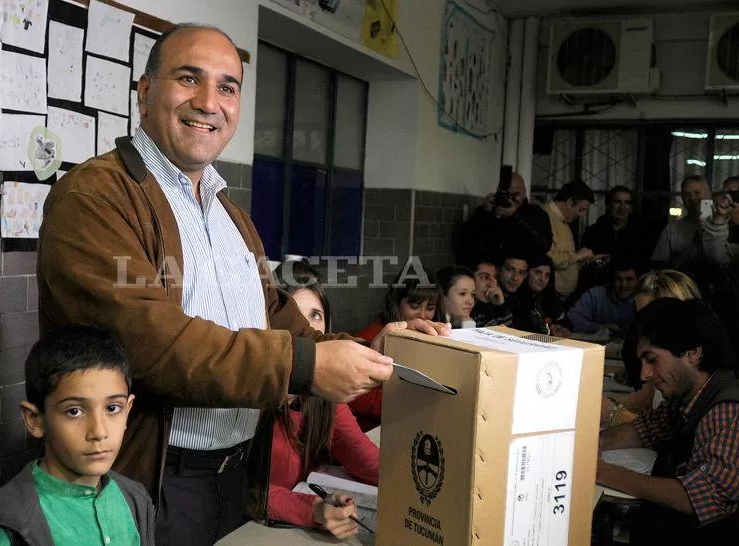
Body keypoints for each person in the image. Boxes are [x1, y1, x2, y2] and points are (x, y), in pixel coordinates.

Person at [36, 24, 449, 546]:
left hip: (236, 476)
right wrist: (306, 367)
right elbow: (147, 340)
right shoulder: (97, 197)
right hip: (150, 480)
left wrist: (365, 349)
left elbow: (273, 312)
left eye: (227, 87)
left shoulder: (229, 213)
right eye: (190, 78)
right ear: (145, 93)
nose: (209, 102)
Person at [0, 326, 155, 545]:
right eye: (74, 411)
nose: (99, 432)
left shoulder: (135, 500)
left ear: (128, 410)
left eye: (113, 408)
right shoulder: (8, 530)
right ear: (35, 420)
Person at [597, 299, 739, 545]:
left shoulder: (729, 410)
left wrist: (599, 471)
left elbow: (701, 497)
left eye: (652, 359)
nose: (645, 374)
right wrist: (591, 443)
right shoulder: (693, 393)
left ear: (693, 353)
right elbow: (645, 429)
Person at [267, 262, 379, 539]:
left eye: (315, 315)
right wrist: (313, 510)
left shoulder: (325, 397)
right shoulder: (253, 391)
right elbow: (246, 489)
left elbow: (364, 459)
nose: (304, 328)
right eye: (292, 315)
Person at [602, 269, 701, 427]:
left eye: (650, 318)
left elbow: (668, 432)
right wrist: (605, 406)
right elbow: (647, 397)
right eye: (640, 317)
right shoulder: (661, 354)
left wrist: (613, 413)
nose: (642, 328)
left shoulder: (692, 372)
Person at [350, 270, 441, 431]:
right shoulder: (371, 336)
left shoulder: (432, 339)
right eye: (414, 306)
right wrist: (412, 403)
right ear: (396, 302)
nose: (422, 315)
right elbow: (356, 398)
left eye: (430, 308)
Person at [700, 175, 739, 378]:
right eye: (726, 194)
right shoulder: (719, 228)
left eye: (737, 195)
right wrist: (719, 217)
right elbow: (716, 254)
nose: (730, 200)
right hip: (731, 321)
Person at [454, 173, 552, 267]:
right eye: (507, 195)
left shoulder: (536, 213)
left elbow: (544, 245)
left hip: (521, 275)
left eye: (515, 195)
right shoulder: (489, 210)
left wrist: (516, 216)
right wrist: (484, 213)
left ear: (524, 193)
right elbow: (464, 242)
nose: (510, 199)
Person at [540, 180, 600, 300]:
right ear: (570, 202)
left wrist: (586, 260)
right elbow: (550, 258)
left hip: (564, 296)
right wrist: (578, 256)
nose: (582, 215)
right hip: (550, 296)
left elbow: (565, 259)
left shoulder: (564, 220)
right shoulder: (543, 217)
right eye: (581, 209)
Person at [579, 185, 646, 290]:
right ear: (608, 205)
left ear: (631, 207)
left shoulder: (640, 233)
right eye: (617, 202)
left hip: (629, 290)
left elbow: (643, 265)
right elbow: (585, 261)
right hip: (597, 288)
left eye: (627, 203)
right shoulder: (594, 231)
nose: (622, 207)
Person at [651, 174, 712, 269]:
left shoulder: (720, 227)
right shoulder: (672, 230)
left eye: (697, 193)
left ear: (708, 195)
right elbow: (658, 264)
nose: (692, 198)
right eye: (687, 194)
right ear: (683, 198)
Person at [565, 258, 638, 335]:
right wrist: (598, 328)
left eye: (629, 279)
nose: (623, 285)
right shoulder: (596, 295)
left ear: (638, 280)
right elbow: (572, 318)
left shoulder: (644, 299)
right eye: (618, 279)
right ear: (612, 280)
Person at [512, 255, 570, 337]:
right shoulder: (517, 300)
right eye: (538, 273)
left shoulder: (550, 298)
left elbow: (566, 322)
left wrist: (557, 327)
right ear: (526, 274)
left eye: (547, 275)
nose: (542, 279)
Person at [471, 260, 512, 327]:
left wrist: (501, 307)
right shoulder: (459, 309)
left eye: (495, 277)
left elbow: (509, 335)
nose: (492, 284)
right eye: (485, 277)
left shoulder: (489, 307)